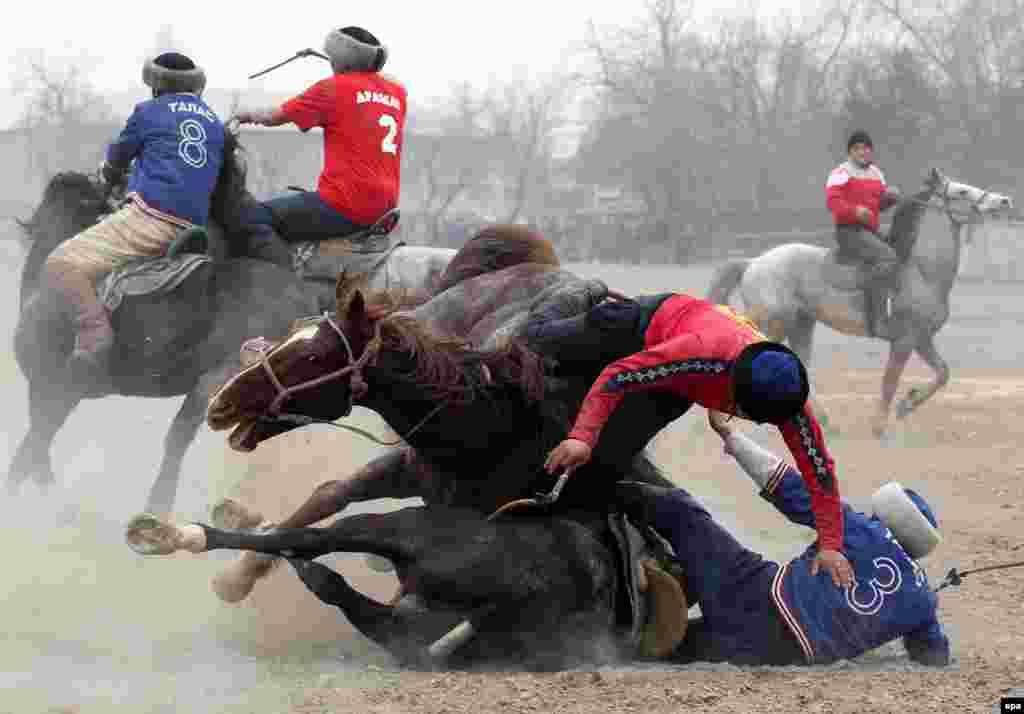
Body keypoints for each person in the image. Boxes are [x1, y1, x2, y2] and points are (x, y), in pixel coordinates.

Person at [541, 292, 855, 588]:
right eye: (747, 413)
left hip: (678, 388)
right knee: (536, 342)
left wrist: (831, 545)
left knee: (608, 461)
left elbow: (819, 472)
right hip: (645, 328)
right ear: (733, 389)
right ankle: (568, 301)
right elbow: (618, 375)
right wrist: (581, 437)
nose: (752, 420)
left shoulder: (789, 401)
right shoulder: (703, 354)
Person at [614, 411, 950, 667]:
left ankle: (588, 487)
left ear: (886, 519)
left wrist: (731, 437)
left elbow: (790, 489)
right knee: (668, 649)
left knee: (679, 509)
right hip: (776, 654)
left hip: (758, 597)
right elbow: (934, 657)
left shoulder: (865, 530)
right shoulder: (923, 602)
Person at [43, 52, 225, 378]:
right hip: (194, 226)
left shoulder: (149, 112)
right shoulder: (213, 120)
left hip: (151, 220)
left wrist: (109, 176)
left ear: (156, 85)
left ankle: (94, 335)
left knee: (60, 264)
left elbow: (116, 159)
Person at [233, 26, 407, 267]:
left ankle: (284, 278)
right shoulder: (397, 94)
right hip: (385, 208)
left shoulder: (332, 89)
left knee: (252, 217)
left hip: (345, 204)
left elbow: (274, 116)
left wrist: (243, 115)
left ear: (340, 58)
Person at [826, 129, 903, 336]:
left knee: (902, 250)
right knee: (888, 258)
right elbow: (832, 202)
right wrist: (855, 211)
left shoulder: (877, 173)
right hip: (849, 232)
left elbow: (878, 206)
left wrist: (889, 198)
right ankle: (875, 317)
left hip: (871, 231)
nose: (862, 152)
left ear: (871, 151)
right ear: (850, 152)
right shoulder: (841, 172)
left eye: (865, 148)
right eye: (856, 148)